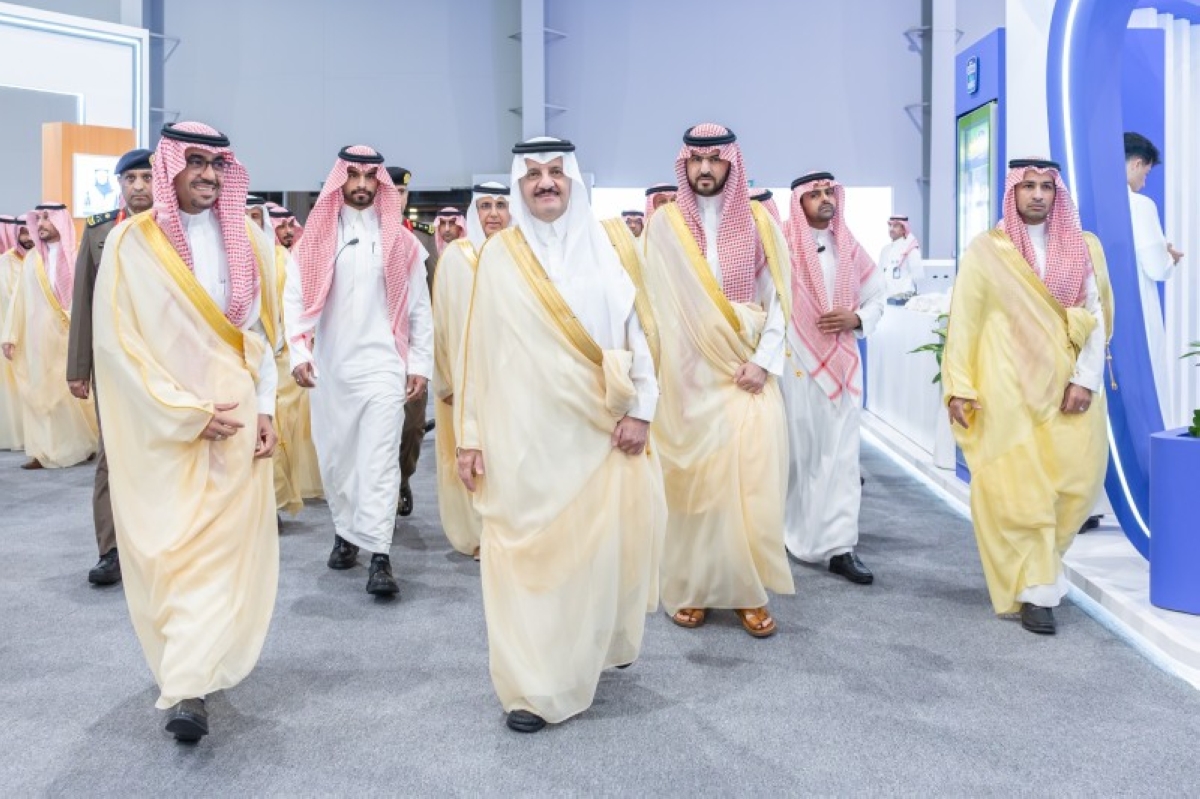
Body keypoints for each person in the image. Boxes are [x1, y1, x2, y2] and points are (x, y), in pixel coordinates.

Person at [456, 137, 664, 733]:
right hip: (521, 436)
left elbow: (640, 332)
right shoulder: (499, 256)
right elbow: (477, 352)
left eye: (555, 172)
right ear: (518, 186)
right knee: (526, 555)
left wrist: (643, 409)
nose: (545, 183)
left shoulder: (612, 246)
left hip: (597, 431)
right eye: (532, 175)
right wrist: (470, 436)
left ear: (573, 180)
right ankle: (532, 685)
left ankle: (587, 651)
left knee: (592, 553)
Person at [92, 121, 280, 741]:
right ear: (169, 168)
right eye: (194, 161)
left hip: (234, 418)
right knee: (173, 550)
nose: (207, 173)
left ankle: (188, 688)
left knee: (220, 552)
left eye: (216, 164)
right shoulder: (130, 244)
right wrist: (181, 412)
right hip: (164, 425)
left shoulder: (248, 239)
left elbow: (258, 337)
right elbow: (118, 344)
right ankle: (188, 669)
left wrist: (266, 406)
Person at [942, 158, 1112, 635]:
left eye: (1046, 187)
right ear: (1012, 192)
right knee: (1020, 492)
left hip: (1068, 386)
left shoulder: (1082, 247)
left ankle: (1042, 568)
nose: (1037, 195)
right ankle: (1037, 589)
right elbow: (965, 320)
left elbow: (1095, 315)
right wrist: (959, 386)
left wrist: (1085, 379)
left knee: (1076, 486)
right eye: (1028, 186)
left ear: (1057, 195)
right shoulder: (987, 250)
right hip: (1007, 389)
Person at [642, 123, 793, 638]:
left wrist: (764, 362)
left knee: (750, 482)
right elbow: (653, 306)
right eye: (696, 160)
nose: (705, 169)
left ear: (732, 163)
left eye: (715, 160)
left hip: (744, 371)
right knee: (695, 485)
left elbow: (780, 298)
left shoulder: (759, 221)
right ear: (684, 164)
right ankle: (695, 587)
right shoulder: (663, 225)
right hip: (686, 378)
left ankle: (748, 592)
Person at [285, 145, 432, 597]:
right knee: (338, 458)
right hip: (331, 369)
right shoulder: (314, 241)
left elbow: (420, 310)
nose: (363, 185)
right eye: (353, 176)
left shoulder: (403, 243)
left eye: (370, 177)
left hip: (384, 366)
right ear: (340, 182)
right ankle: (346, 533)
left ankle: (380, 554)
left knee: (379, 459)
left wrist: (419, 363)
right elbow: (295, 300)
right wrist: (299, 354)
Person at [782, 172, 887, 584]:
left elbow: (877, 296)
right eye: (815, 194)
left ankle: (841, 547)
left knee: (842, 460)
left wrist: (856, 318)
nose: (825, 199)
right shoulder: (781, 243)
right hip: (793, 366)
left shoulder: (849, 246)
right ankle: (792, 535)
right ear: (799, 202)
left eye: (829, 192)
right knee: (796, 456)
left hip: (842, 368)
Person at [65, 147, 154, 585]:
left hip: (166, 362)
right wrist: (78, 367)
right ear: (119, 184)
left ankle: (160, 546)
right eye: (130, 179)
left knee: (165, 450)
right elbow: (83, 299)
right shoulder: (100, 230)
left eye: (147, 178)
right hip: (114, 363)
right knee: (112, 452)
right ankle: (111, 550)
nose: (139, 187)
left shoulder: (176, 228)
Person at [432, 182, 509, 560]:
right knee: (467, 454)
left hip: (510, 376)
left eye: (501, 205)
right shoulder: (455, 257)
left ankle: (508, 528)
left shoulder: (520, 255)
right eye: (485, 206)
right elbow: (440, 322)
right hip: (463, 378)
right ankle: (477, 534)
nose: (493, 213)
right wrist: (444, 380)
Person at [2, 203, 98, 469]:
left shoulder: (77, 255)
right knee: (40, 395)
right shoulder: (33, 260)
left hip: (71, 339)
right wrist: (10, 335)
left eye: (47, 218)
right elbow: (18, 300)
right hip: (38, 340)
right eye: (39, 218)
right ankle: (42, 452)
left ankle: (83, 446)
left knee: (72, 396)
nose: (41, 223)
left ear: (61, 221)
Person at [385, 165, 436, 517]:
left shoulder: (424, 238)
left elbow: (432, 297)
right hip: (374, 348)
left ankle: (402, 478)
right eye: (391, 192)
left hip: (412, 347)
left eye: (402, 193)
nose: (397, 199)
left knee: (413, 426)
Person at [1125, 132, 1185, 427]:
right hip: (1138, 314)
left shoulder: (1086, 203)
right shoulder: (1140, 205)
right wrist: (1169, 257)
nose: (1144, 182)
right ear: (1137, 163)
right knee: (1147, 395)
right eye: (1145, 174)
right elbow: (1156, 267)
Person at [0, 216, 30, 451]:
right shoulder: (6, 262)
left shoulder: (37, 259)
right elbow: (10, 297)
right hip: (9, 331)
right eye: (23, 233)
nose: (27, 238)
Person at [878, 214, 924, 297]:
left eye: (895, 226)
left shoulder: (911, 249)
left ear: (904, 229)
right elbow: (880, 275)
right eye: (890, 225)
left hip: (905, 299)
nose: (891, 229)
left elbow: (918, 277)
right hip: (886, 298)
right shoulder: (885, 250)